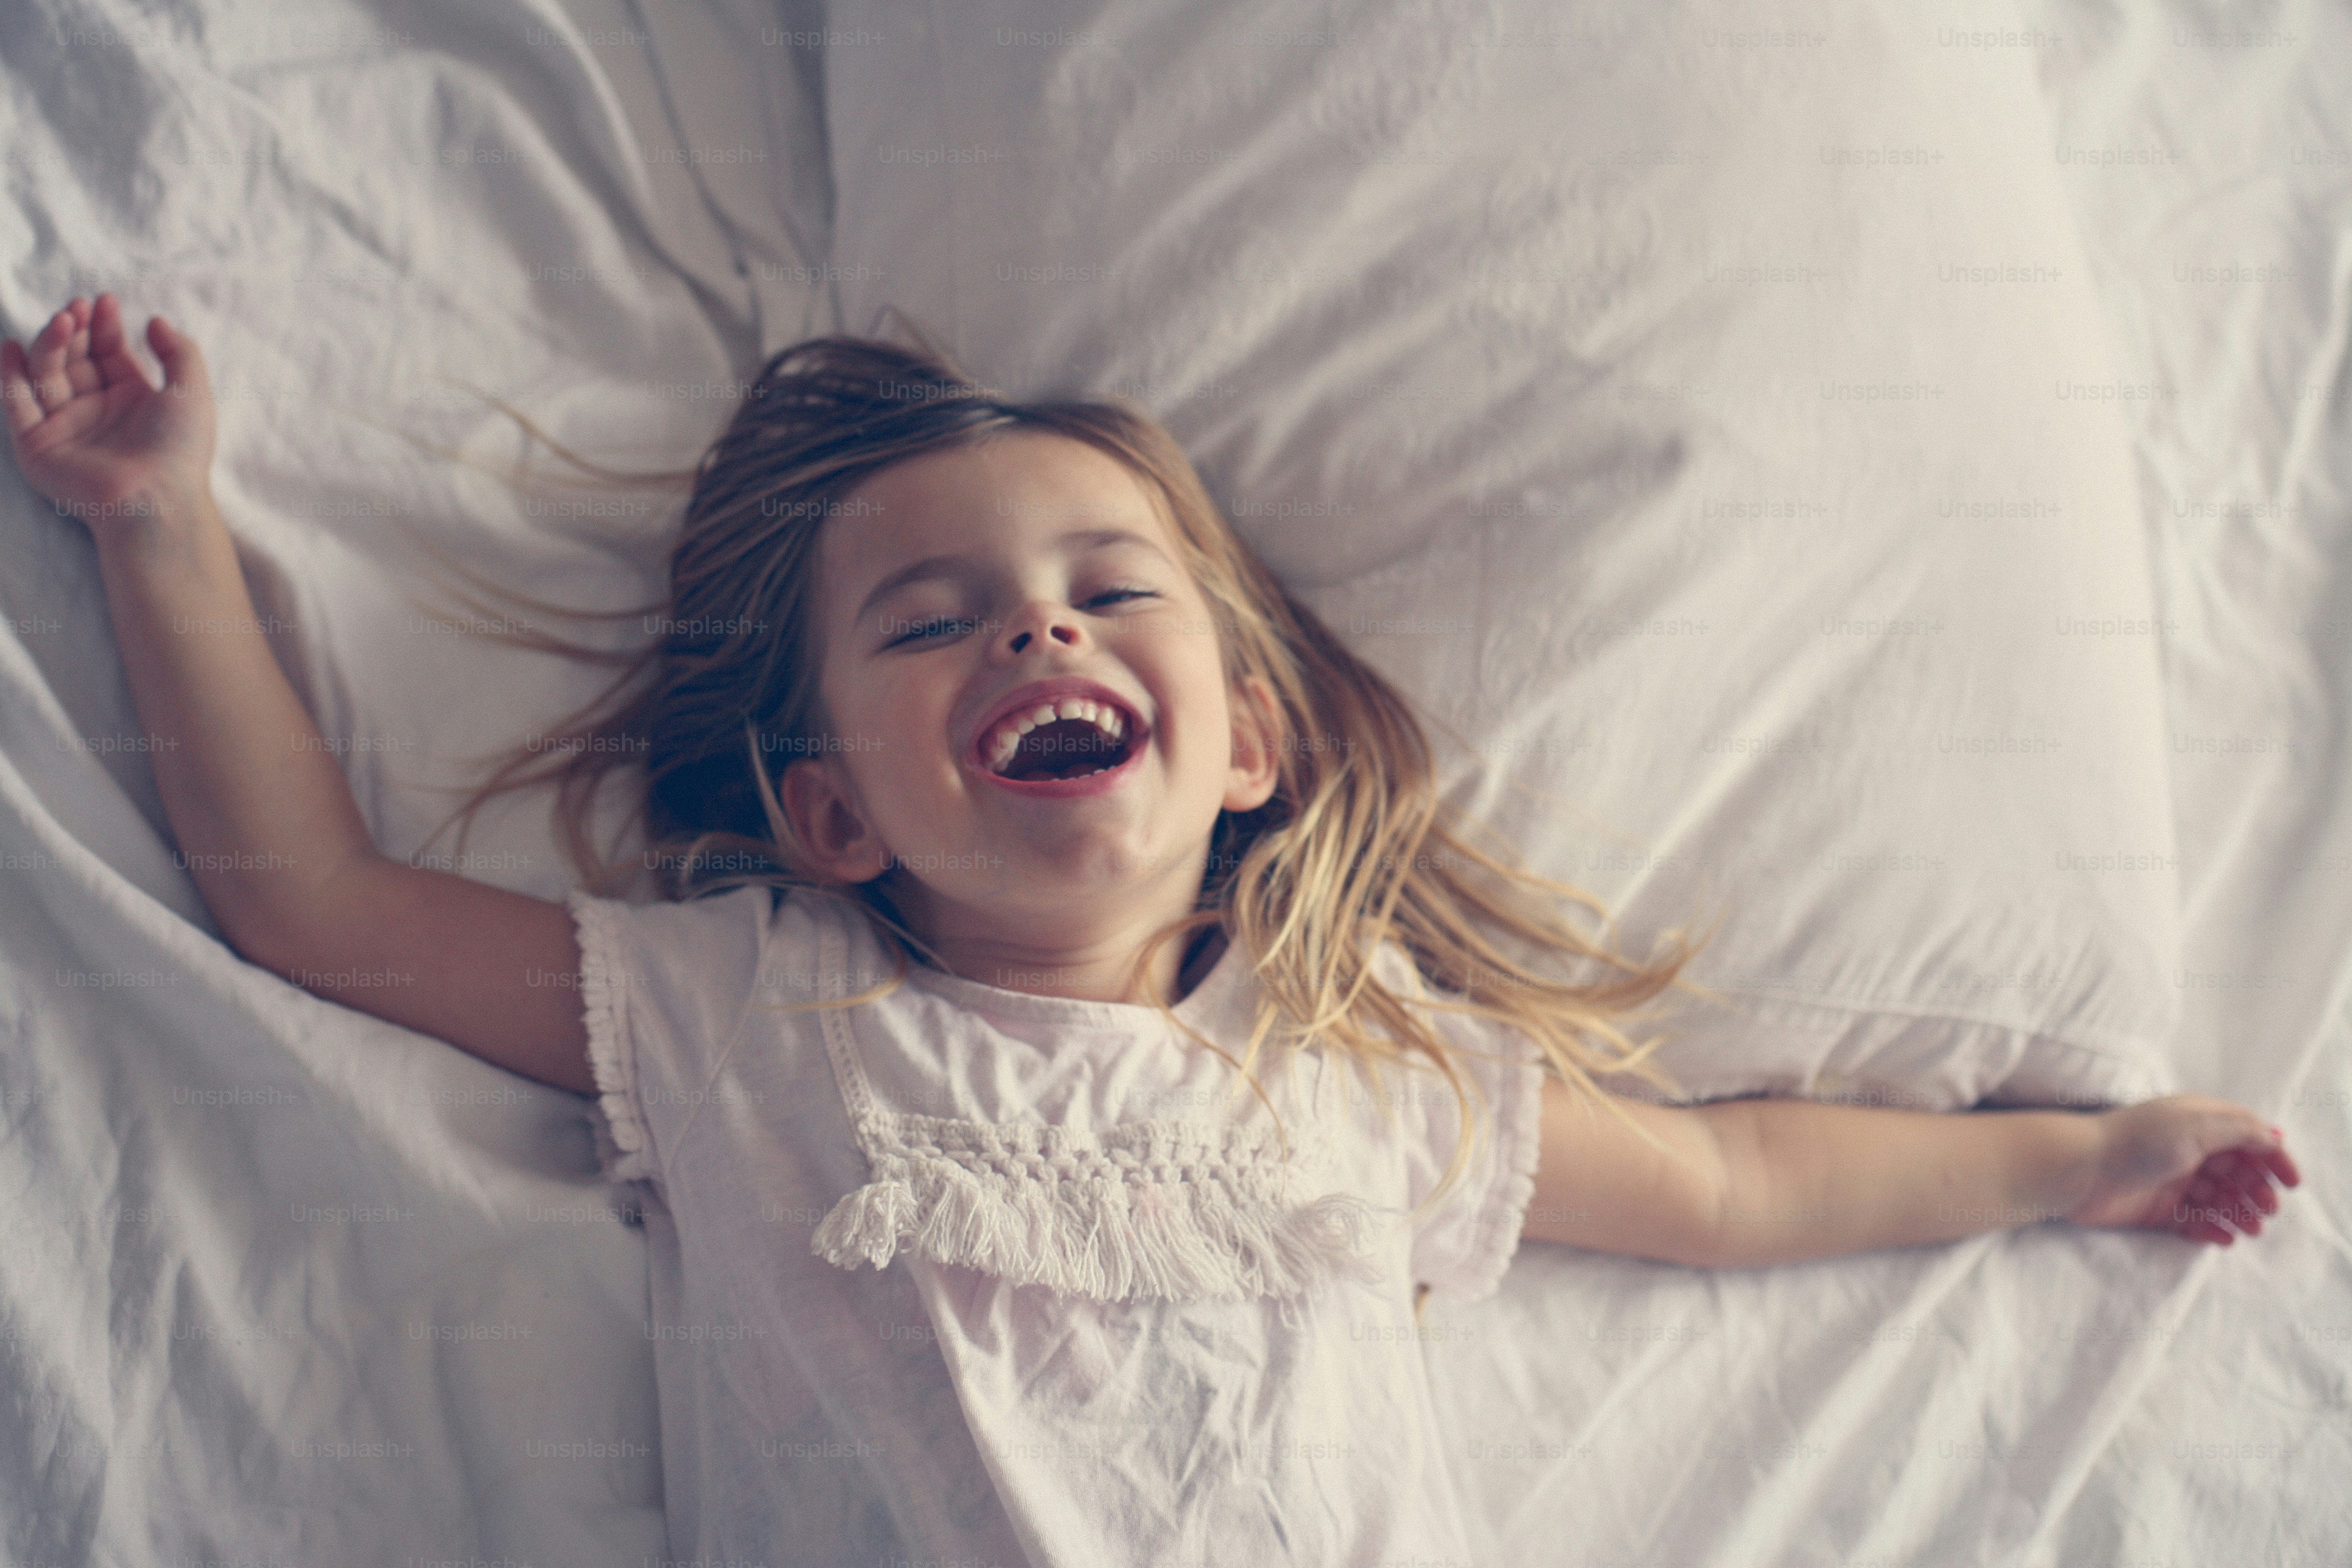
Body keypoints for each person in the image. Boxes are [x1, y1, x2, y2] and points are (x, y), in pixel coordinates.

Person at [2, 293, 2300, 1566]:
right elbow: (310, 901)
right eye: (932, 624)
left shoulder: (1362, 1070)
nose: (1032, 633)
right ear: (824, 810)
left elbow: (1727, 1181)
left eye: (1109, 594)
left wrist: (2070, 1160)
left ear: (1250, 748)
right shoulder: (747, 1004)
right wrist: (158, 527)